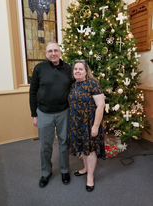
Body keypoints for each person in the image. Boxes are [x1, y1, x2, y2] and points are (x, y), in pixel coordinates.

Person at [29, 41, 73, 188]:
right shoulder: (39, 68)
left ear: (60, 52)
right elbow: (33, 91)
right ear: (46, 54)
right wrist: (34, 114)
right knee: (45, 146)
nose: (53, 53)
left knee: (64, 143)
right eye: (50, 51)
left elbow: (74, 88)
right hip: (44, 113)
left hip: (64, 112)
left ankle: (65, 170)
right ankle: (46, 173)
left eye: (56, 50)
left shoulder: (68, 69)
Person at [68, 60, 105, 192]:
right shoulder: (73, 85)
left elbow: (101, 106)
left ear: (86, 71)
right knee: (84, 148)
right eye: (75, 69)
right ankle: (84, 168)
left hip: (89, 123)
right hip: (76, 124)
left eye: (80, 69)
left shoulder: (93, 83)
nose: (77, 71)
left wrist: (95, 126)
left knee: (90, 150)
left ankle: (90, 176)